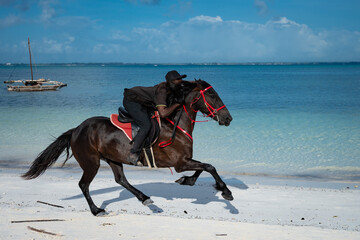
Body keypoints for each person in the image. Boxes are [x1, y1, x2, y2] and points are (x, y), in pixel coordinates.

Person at [123, 70, 186, 166]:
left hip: (142, 101)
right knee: (146, 125)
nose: (181, 81)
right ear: (171, 82)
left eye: (181, 79)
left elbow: (188, 83)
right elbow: (163, 114)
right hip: (131, 100)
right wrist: (177, 104)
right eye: (178, 79)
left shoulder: (171, 87)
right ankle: (133, 152)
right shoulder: (162, 92)